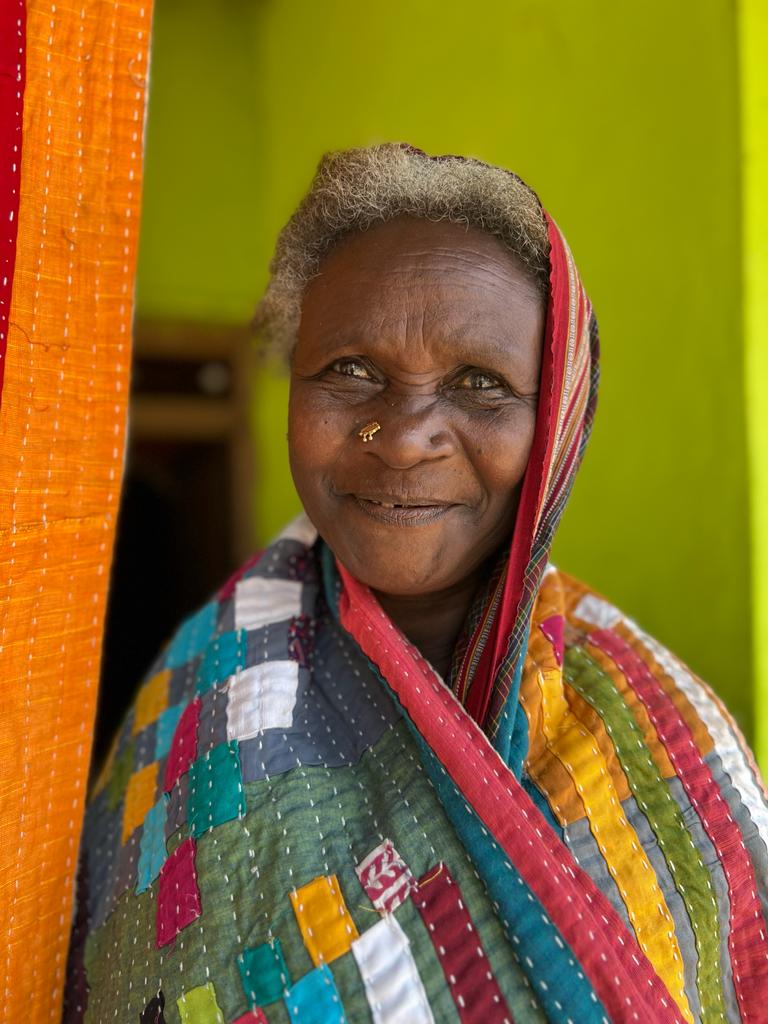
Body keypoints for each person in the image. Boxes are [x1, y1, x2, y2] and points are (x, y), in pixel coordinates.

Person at [65, 144, 768, 1023]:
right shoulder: (195, 694)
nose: (402, 440)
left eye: (480, 384)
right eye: (351, 372)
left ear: (555, 425)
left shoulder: (669, 733)